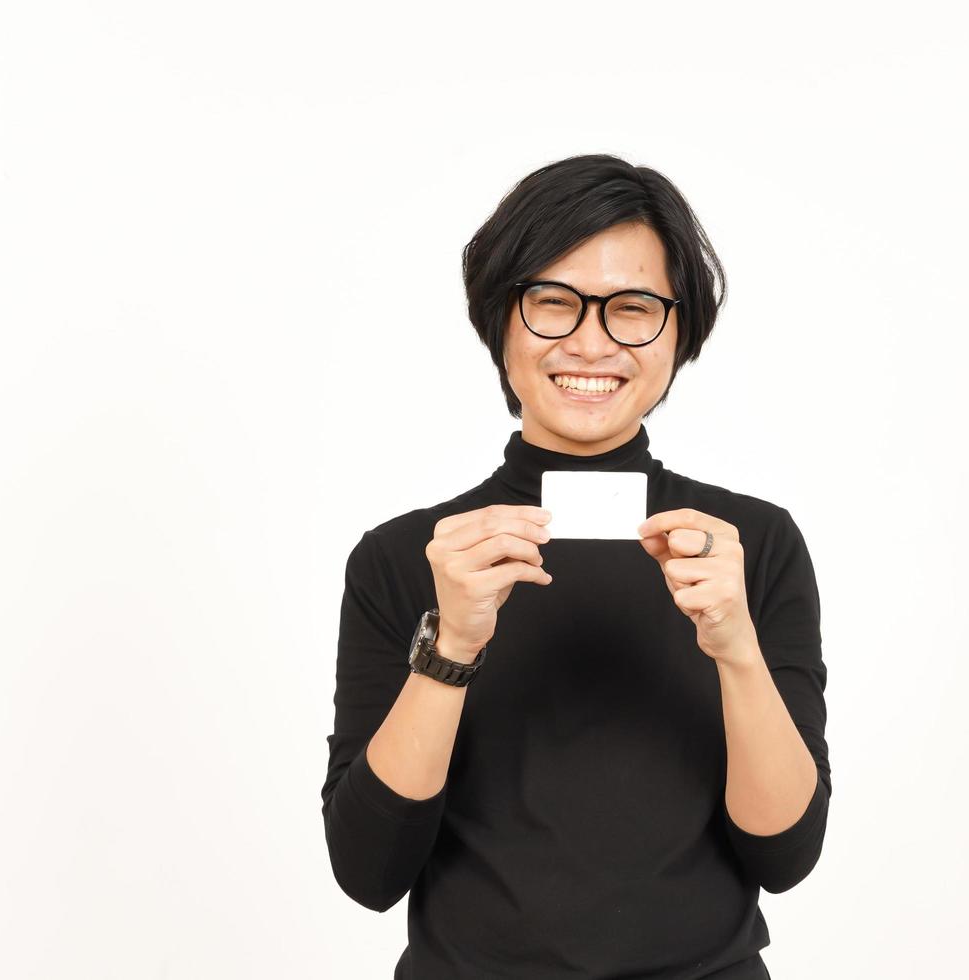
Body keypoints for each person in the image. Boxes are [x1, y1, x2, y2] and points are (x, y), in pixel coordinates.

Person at [320, 153, 831, 979]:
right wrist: (449, 645)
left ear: (679, 331)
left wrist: (736, 647)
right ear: (501, 322)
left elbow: (786, 853)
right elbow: (368, 871)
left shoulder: (750, 546)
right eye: (552, 303)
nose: (591, 342)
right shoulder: (411, 558)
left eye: (632, 308)